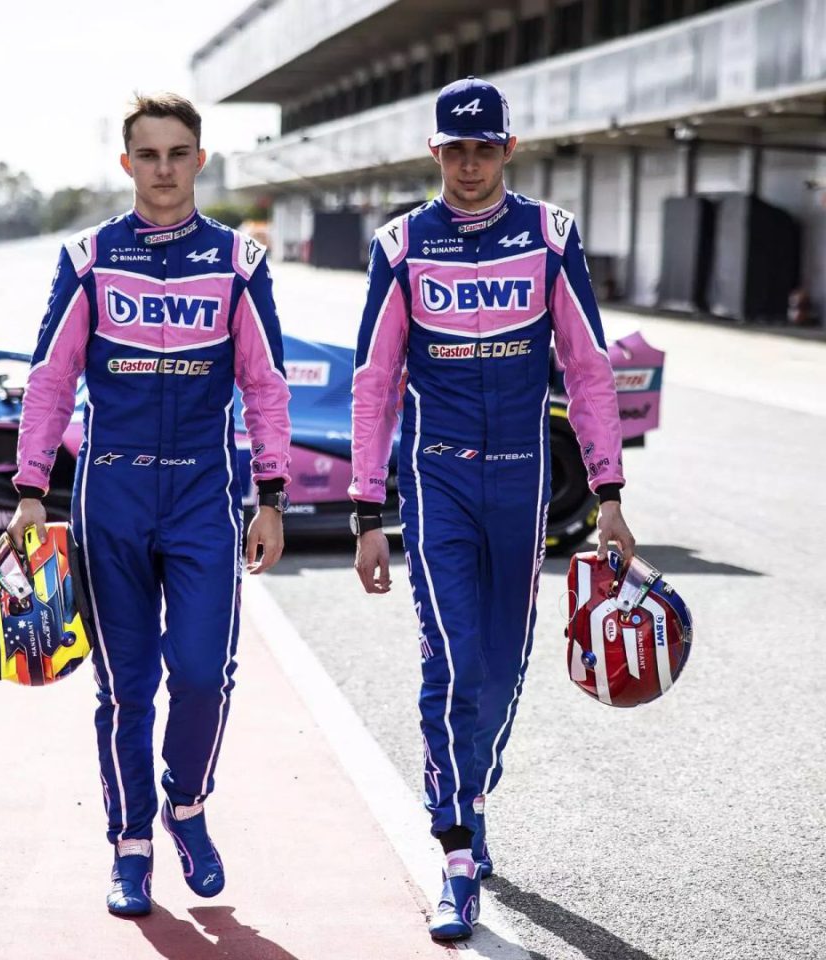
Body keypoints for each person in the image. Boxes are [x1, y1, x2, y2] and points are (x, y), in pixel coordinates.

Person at [348, 77, 635, 943]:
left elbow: (587, 370)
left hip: (525, 482)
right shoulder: (400, 246)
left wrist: (611, 493)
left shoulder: (551, 238)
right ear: (434, 153)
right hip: (436, 481)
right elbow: (373, 383)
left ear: (509, 148)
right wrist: (367, 508)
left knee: (504, 669)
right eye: (454, 150)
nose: (469, 166)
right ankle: (458, 845)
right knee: (455, 656)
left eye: (484, 148)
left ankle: (473, 784)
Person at [7, 92, 292, 917]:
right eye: (148, 154)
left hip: (205, 491)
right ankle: (130, 847)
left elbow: (265, 387)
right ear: (125, 163)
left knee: (202, 674)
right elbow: (52, 380)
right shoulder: (88, 258)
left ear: (200, 160)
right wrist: (31, 491)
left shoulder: (240, 262)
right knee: (126, 689)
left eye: (178, 154)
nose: (163, 169)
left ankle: (187, 805)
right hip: (112, 494)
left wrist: (269, 493)